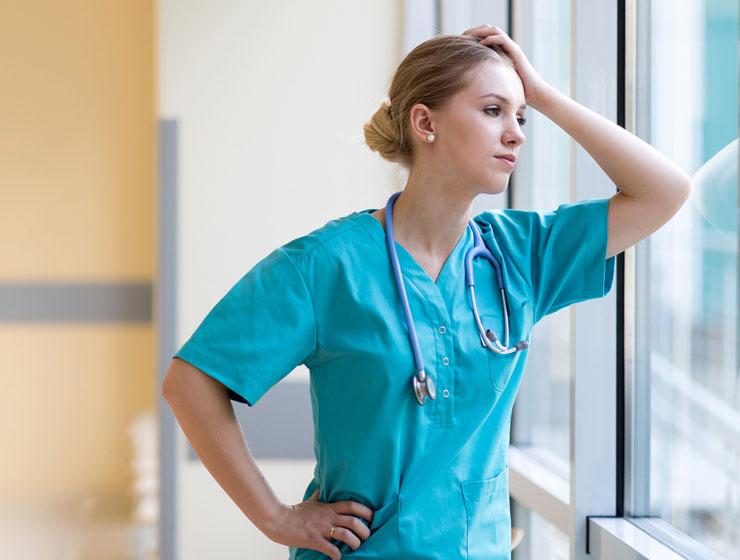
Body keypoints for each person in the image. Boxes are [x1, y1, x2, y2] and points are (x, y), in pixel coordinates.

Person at [161, 25, 692, 560]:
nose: (517, 134)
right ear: (424, 122)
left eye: (521, 117)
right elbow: (190, 382)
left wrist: (545, 94)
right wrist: (275, 518)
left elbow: (664, 191)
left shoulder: (521, 255)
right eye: (492, 111)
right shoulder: (326, 265)